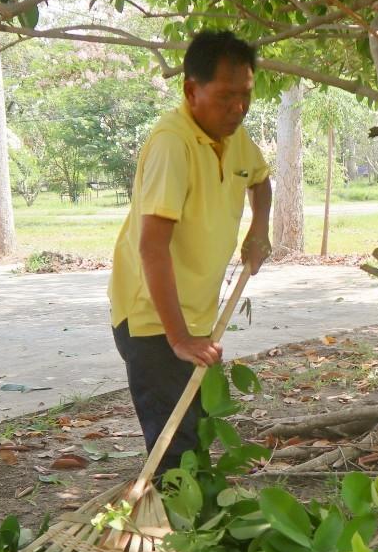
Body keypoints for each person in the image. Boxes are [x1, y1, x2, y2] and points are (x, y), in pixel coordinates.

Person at [109, 30, 272, 471]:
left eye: (245, 95)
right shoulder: (172, 145)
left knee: (194, 428)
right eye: (225, 97)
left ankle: (191, 522)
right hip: (152, 320)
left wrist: (259, 226)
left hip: (196, 315)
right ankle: (177, 531)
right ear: (190, 90)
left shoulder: (233, 134)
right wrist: (178, 338)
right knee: (174, 447)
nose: (238, 108)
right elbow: (152, 247)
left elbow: (260, 179)